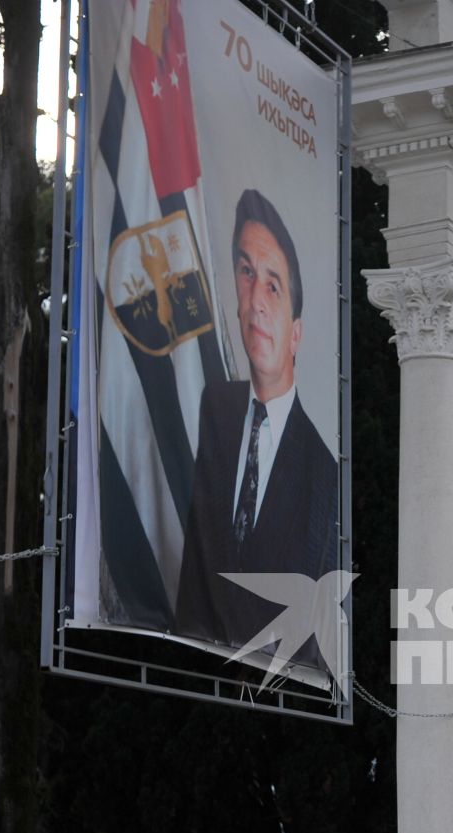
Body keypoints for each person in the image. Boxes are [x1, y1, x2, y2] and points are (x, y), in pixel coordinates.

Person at [176, 188, 337, 654]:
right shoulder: (217, 408)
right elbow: (196, 570)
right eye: (246, 272)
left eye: (273, 284)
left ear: (297, 333)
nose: (256, 299)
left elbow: (308, 635)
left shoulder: (324, 475)